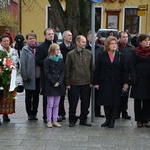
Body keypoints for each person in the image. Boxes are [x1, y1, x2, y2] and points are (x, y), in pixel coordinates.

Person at [94, 36, 128, 128]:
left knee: (115, 101)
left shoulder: (121, 56)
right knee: (106, 101)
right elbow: (97, 69)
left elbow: (125, 70)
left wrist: (126, 82)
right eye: (112, 44)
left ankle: (112, 120)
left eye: (115, 43)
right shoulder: (102, 55)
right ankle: (107, 119)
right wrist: (96, 82)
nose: (114, 45)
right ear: (107, 45)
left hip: (116, 82)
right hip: (104, 82)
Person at [65, 35, 94, 127]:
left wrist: (91, 81)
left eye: (85, 42)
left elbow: (92, 69)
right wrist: (67, 83)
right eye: (83, 42)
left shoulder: (89, 54)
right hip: (74, 83)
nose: (84, 43)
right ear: (77, 42)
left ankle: (83, 119)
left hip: (86, 82)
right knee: (73, 103)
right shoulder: (70, 54)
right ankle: (72, 120)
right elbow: (67, 69)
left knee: (85, 103)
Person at [36, 28, 56, 123]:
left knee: (56, 97)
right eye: (49, 34)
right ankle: (46, 116)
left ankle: (55, 116)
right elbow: (38, 61)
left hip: (55, 75)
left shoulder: (56, 46)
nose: (51, 35)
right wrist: (48, 61)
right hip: (46, 76)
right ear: (45, 35)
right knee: (46, 97)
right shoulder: (41, 47)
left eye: (52, 34)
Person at [130, 34, 150, 128]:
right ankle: (138, 120)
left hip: (148, 80)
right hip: (138, 79)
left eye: (148, 40)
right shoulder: (135, 51)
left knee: (147, 100)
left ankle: (146, 119)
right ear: (140, 42)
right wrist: (133, 77)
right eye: (145, 41)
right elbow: (132, 65)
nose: (147, 42)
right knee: (138, 100)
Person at [44, 43, 65, 128]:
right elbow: (47, 72)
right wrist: (53, 82)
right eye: (57, 49)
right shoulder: (47, 60)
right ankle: (49, 120)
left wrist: (59, 81)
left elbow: (62, 71)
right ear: (52, 50)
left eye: (59, 49)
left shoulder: (60, 60)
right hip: (50, 85)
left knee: (57, 104)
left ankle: (55, 120)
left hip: (58, 84)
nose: (58, 51)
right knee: (50, 104)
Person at [20, 32, 40, 120]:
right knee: (28, 96)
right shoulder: (25, 50)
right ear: (27, 40)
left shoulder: (39, 48)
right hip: (28, 76)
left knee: (36, 96)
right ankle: (29, 113)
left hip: (38, 76)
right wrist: (24, 76)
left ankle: (35, 112)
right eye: (30, 38)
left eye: (34, 38)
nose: (32, 40)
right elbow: (22, 64)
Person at [0, 34, 19, 123]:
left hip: (11, 76)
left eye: (8, 41)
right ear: (1, 42)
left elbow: (17, 61)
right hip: (1, 76)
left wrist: (14, 69)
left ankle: (6, 114)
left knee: (8, 96)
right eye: (4, 41)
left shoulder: (13, 51)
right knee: (1, 96)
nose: (6, 42)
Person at [85, 31, 104, 117]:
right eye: (90, 36)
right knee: (86, 95)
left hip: (98, 73)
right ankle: (85, 111)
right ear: (88, 38)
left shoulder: (101, 48)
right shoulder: (85, 48)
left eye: (94, 37)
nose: (92, 38)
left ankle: (97, 111)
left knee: (98, 94)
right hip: (87, 73)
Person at [116, 31, 135, 120]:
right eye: (123, 37)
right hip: (117, 74)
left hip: (127, 74)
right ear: (119, 38)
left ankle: (124, 112)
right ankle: (116, 112)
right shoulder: (116, 47)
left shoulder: (131, 48)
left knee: (125, 94)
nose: (125, 38)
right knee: (116, 94)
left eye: (126, 37)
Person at [58, 30, 75, 121]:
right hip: (62, 73)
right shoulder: (59, 47)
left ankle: (72, 113)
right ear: (64, 37)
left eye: (71, 35)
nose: (70, 37)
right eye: (68, 35)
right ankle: (61, 113)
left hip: (72, 74)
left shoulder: (74, 47)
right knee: (61, 95)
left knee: (72, 96)